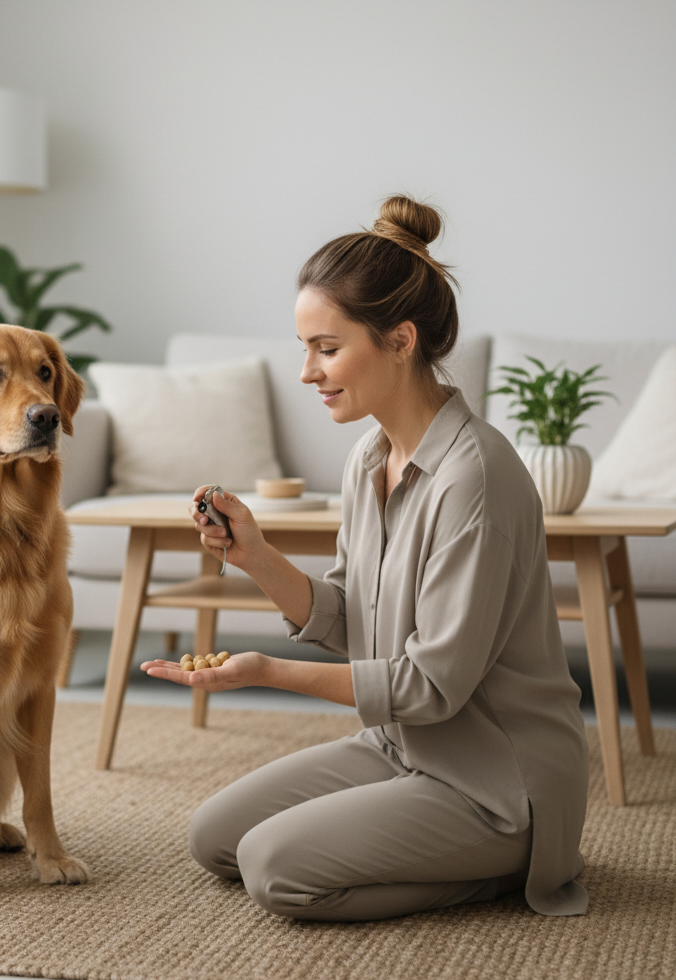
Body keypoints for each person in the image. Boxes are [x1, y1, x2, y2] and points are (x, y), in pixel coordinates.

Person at [141, 194, 589, 922]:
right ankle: (435, 840)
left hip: (497, 781)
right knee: (214, 839)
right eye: (304, 347)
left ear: (401, 339)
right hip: (400, 748)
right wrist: (254, 554)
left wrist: (265, 673)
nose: (306, 372)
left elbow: (432, 686)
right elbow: (353, 618)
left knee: (273, 868)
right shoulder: (369, 458)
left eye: (326, 347)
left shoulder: (474, 477)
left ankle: (528, 863)